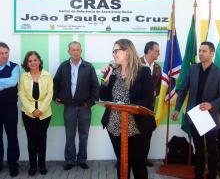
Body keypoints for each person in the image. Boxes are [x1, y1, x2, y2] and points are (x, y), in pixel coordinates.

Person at [100, 39, 156, 179]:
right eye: (113, 51)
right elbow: (103, 96)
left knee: (138, 164)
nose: (114, 54)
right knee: (122, 163)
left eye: (116, 50)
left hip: (138, 127)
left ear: (127, 51)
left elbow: (148, 99)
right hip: (114, 126)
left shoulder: (143, 71)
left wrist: (126, 107)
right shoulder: (112, 72)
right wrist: (105, 81)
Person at [172, 42, 220, 179]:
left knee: (212, 150)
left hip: (211, 116)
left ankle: (212, 175)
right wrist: (177, 109)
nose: (201, 53)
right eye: (200, 50)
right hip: (194, 115)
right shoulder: (192, 69)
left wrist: (211, 105)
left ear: (212, 54)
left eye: (204, 51)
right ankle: (198, 174)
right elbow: (183, 90)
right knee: (199, 147)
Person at [53, 41, 99, 170]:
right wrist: (55, 96)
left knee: (84, 134)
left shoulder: (88, 67)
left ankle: (82, 159)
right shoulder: (63, 66)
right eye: (73, 50)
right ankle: (70, 160)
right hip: (69, 106)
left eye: (78, 50)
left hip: (85, 107)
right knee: (70, 135)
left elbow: (95, 86)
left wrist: (90, 103)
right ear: (68, 51)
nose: (75, 52)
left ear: (81, 51)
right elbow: (55, 82)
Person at [19, 51, 53, 176]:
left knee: (42, 139)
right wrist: (32, 110)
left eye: (35, 60)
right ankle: (33, 166)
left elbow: (49, 94)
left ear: (39, 61)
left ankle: (42, 165)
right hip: (28, 113)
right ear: (27, 63)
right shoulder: (23, 77)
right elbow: (22, 95)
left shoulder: (47, 75)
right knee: (31, 140)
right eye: (30, 61)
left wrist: (41, 110)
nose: (33, 62)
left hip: (45, 114)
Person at [140, 41, 161, 167]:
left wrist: (153, 92)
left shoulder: (158, 68)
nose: (159, 53)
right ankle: (126, 159)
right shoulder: (135, 63)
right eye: (157, 51)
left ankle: (143, 159)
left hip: (149, 107)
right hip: (135, 106)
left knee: (147, 134)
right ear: (149, 51)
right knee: (132, 135)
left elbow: (159, 87)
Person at [0, 42, 20, 177]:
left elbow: (13, 82)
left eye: (6, 52)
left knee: (12, 136)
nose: (4, 55)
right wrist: (3, 82)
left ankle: (13, 165)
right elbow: (7, 82)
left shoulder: (15, 67)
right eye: (1, 53)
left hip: (10, 107)